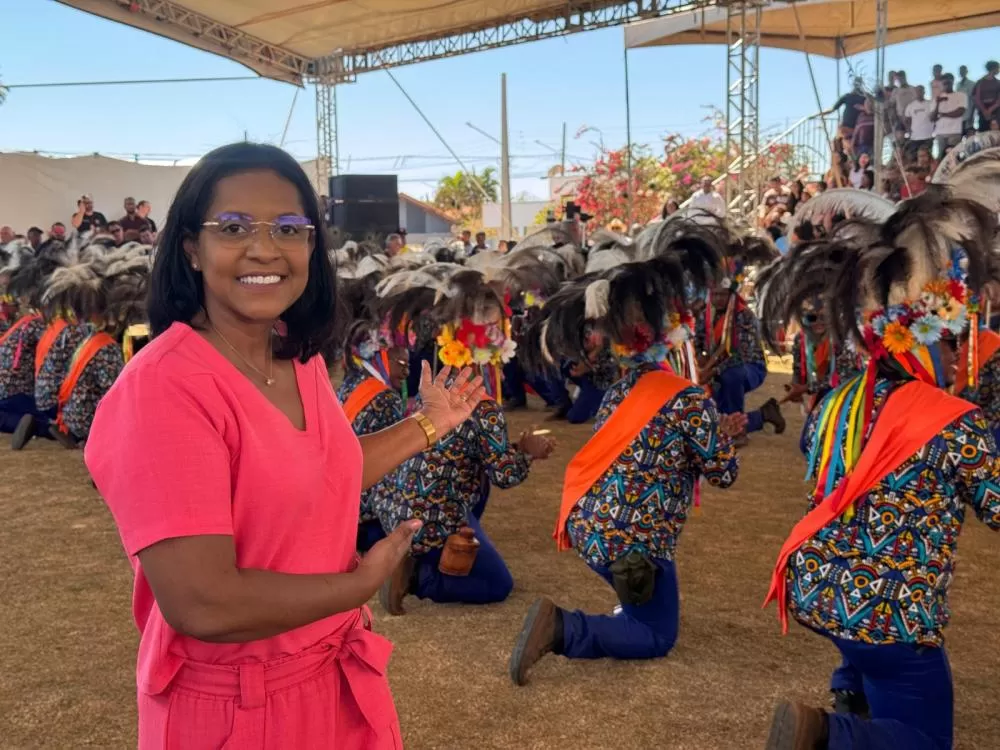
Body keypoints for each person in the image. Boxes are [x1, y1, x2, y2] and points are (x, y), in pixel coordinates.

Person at [84, 142, 487, 749]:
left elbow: (323, 471)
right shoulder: (164, 389)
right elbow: (204, 604)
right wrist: (358, 584)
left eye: (290, 228)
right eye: (235, 227)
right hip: (234, 709)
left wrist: (428, 425)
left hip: (332, 676)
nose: (265, 248)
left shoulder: (292, 359)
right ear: (192, 248)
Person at [763, 189, 1000, 750]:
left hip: (818, 589)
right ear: (932, 336)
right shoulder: (954, 422)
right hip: (889, 614)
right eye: (954, 340)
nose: (959, 352)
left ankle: (851, 699)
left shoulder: (835, 403)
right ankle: (825, 732)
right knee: (923, 740)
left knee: (875, 665)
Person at [508, 221, 743, 685]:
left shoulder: (619, 391)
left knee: (645, 607)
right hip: (633, 542)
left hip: (588, 524)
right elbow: (723, 473)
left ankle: (624, 605)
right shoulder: (687, 398)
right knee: (656, 635)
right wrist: (722, 437)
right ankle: (563, 629)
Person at [376, 262, 554, 615]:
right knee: (497, 584)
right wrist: (528, 453)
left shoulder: (431, 389)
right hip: (429, 517)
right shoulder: (480, 403)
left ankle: (420, 557)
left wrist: (511, 448)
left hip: (394, 509)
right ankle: (414, 577)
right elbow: (504, 475)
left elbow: (465, 451)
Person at [335, 261, 412, 553]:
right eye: (400, 363)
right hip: (363, 512)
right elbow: (389, 463)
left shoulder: (352, 381)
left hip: (339, 495)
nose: (406, 372)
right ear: (380, 357)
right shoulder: (386, 399)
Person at [932, 73, 967, 157]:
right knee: (941, 158)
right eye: (944, 83)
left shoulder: (961, 95)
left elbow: (960, 112)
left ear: (953, 82)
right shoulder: (937, 98)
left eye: (948, 83)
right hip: (940, 133)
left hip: (954, 132)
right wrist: (937, 103)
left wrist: (943, 114)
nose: (946, 85)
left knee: (954, 157)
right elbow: (932, 118)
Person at [903, 85, 934, 157]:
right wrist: (909, 131)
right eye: (917, 91)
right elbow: (907, 120)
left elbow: (934, 118)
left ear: (924, 92)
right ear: (915, 93)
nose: (919, 93)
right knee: (914, 157)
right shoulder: (910, 106)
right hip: (915, 137)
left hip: (928, 136)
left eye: (921, 91)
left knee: (927, 158)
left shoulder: (930, 104)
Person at [973, 61, 1000, 132]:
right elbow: (977, 98)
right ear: (993, 68)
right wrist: (984, 111)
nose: (999, 70)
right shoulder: (980, 82)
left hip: (996, 111)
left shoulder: (998, 82)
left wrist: (989, 110)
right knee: (983, 132)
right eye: (998, 68)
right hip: (983, 110)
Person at [956, 65, 977, 133]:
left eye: (963, 70)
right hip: (959, 115)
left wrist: (972, 115)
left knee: (970, 137)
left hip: (969, 114)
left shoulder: (972, 84)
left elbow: (974, 101)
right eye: (960, 71)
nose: (962, 72)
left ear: (966, 72)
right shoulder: (958, 85)